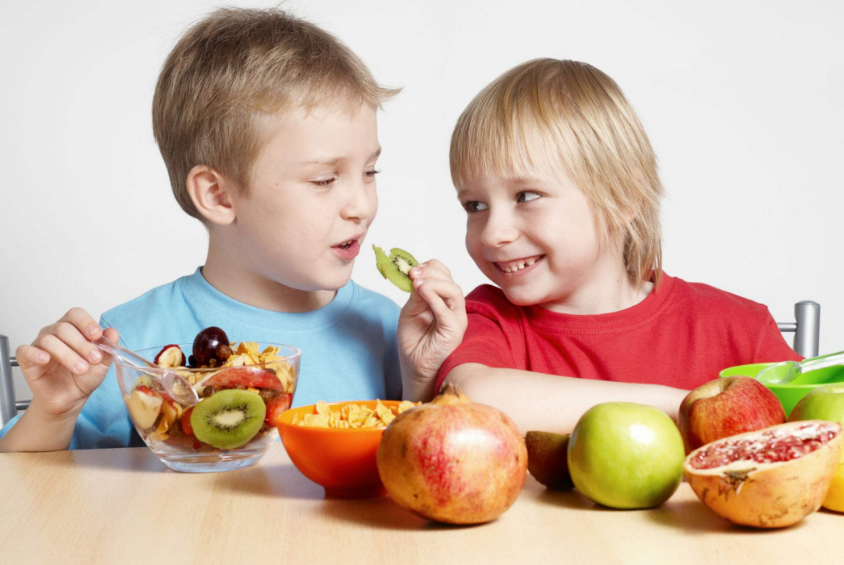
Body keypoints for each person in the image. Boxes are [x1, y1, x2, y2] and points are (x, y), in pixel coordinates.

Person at [0, 8, 466, 452]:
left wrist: (421, 378)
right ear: (219, 196)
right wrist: (55, 412)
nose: (362, 206)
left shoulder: (386, 329)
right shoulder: (127, 345)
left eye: (369, 172)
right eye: (324, 180)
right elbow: (24, 486)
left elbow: (417, 468)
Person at [435, 58, 800, 434]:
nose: (493, 233)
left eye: (526, 195)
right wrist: (692, 407)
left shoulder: (739, 328)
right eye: (475, 206)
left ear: (623, 197)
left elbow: (814, 430)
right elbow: (471, 399)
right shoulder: (487, 319)